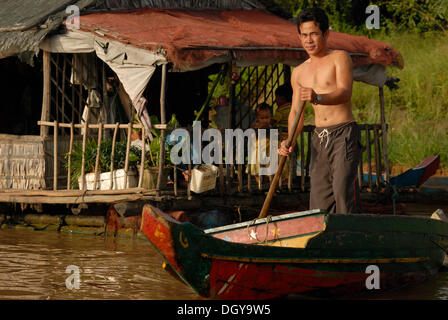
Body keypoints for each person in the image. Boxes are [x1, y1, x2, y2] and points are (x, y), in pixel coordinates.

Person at [278, 7, 362, 214]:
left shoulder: (339, 58)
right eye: (304, 35)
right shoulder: (298, 72)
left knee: (342, 191)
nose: (309, 40)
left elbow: (344, 92)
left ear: (326, 34)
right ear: (299, 36)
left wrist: (319, 97)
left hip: (344, 134)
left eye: (314, 34)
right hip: (319, 138)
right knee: (319, 198)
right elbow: (296, 112)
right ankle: (324, 241)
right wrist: (290, 140)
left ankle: (348, 236)